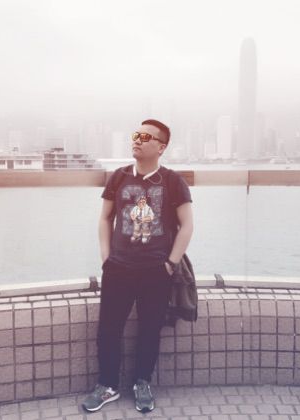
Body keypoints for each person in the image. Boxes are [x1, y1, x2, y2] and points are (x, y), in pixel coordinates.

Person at [82, 119, 193, 413]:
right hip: (118, 268)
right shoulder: (119, 177)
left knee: (150, 329)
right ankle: (107, 385)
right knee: (108, 329)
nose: (137, 140)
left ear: (161, 147)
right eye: (136, 135)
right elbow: (105, 218)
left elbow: (187, 225)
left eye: (145, 137)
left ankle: (142, 382)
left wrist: (170, 263)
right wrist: (106, 258)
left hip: (156, 270)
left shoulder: (172, 181)